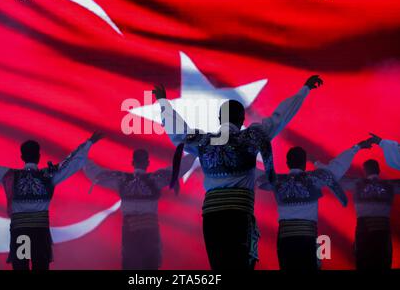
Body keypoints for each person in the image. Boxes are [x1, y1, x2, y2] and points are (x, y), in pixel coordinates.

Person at [152, 75, 323, 270]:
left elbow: (179, 132)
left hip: (213, 219)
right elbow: (280, 117)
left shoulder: (204, 141)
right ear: (242, 120)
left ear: (218, 119)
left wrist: (163, 102)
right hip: (238, 216)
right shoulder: (251, 137)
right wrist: (305, 89)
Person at [0, 131, 103, 270]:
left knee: (21, 267)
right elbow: (71, 163)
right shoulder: (48, 175)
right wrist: (89, 143)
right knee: (41, 267)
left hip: (20, 231)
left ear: (22, 156)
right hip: (39, 232)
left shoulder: (9, 176)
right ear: (39, 156)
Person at [257, 139, 371, 270]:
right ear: (304, 164)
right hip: (307, 239)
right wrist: (357, 147)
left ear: (287, 163)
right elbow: (337, 167)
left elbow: (255, 176)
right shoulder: (315, 179)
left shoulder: (276, 181)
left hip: (285, 240)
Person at [83, 149, 196, 270]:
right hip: (149, 230)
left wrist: (82, 157)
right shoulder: (155, 178)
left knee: (131, 265)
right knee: (150, 266)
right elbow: (178, 168)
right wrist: (195, 151)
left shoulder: (122, 179)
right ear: (147, 162)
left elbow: (96, 174)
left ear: (132, 162)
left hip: (131, 230)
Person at [340, 158, 400, 270]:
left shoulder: (357, 184)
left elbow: (335, 180)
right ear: (378, 170)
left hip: (364, 231)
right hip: (382, 232)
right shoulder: (390, 185)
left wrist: (317, 164)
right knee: (383, 264)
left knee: (363, 264)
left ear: (365, 171)